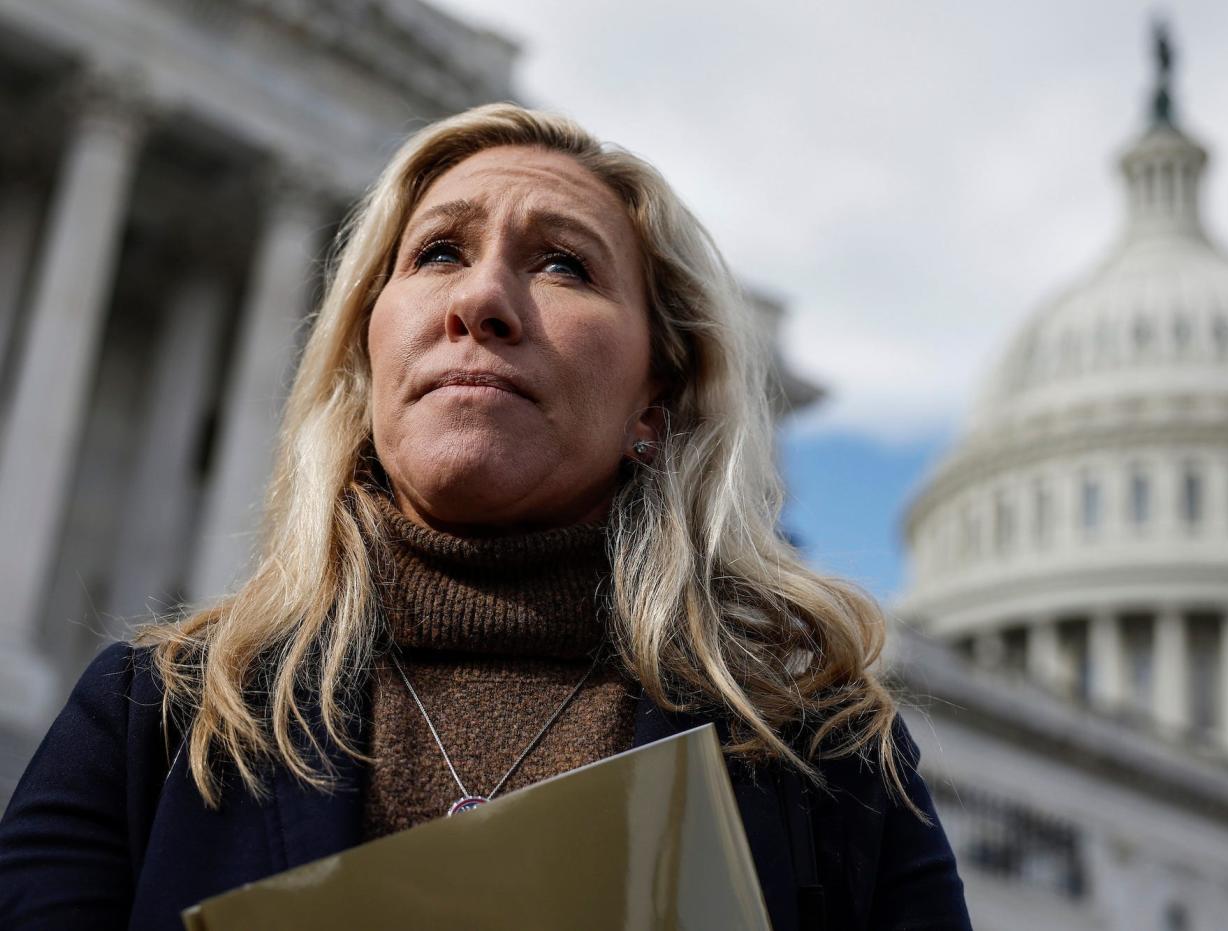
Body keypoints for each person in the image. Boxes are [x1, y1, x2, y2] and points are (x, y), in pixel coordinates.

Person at [0, 103, 971, 930]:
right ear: (368, 356)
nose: (482, 299)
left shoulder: (818, 760)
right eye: (436, 253)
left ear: (655, 398)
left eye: (563, 267)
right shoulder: (152, 723)